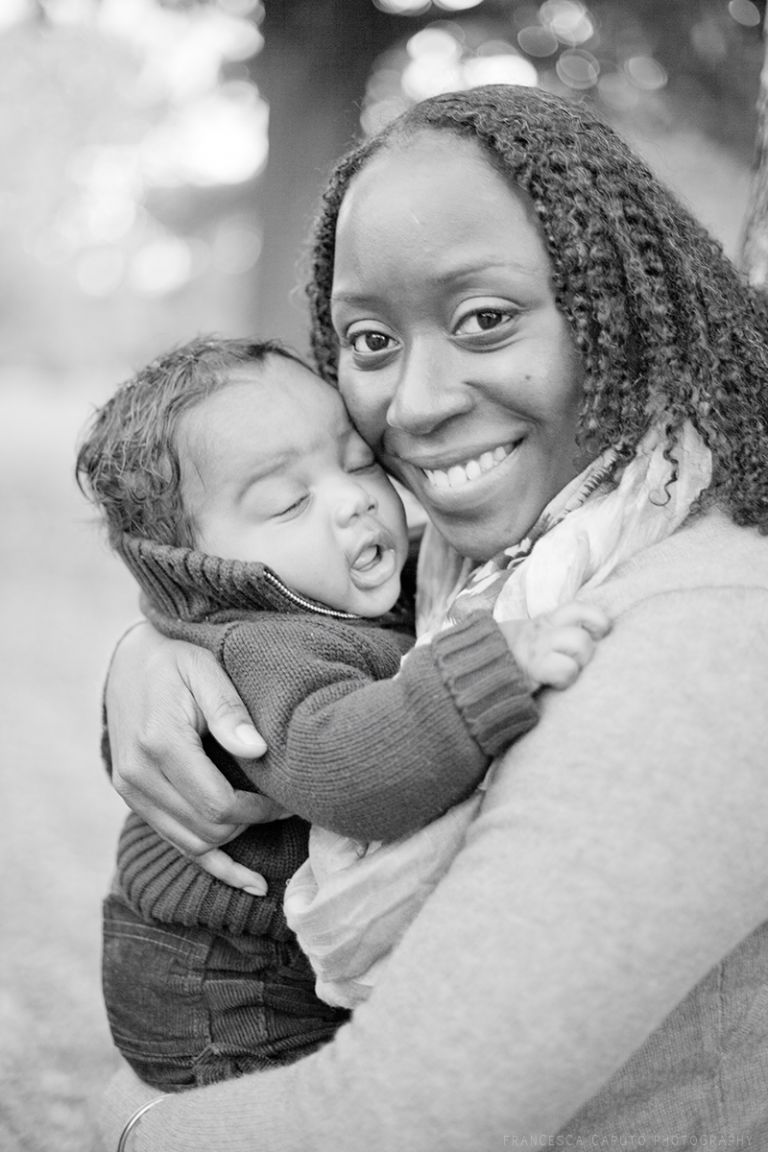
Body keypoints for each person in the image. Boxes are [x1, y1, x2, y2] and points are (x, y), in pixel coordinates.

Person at [97, 84, 768, 1151]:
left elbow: (407, 1118)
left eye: (485, 319)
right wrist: (161, 645)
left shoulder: (705, 628)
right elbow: (264, 608)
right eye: (369, 339)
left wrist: (130, 1138)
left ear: (619, 305)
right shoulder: (479, 557)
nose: (411, 404)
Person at [77, 334, 604, 1089]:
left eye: (356, 461)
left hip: (270, 961)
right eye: (290, 501)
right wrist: (494, 666)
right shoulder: (265, 649)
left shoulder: (325, 585)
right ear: (207, 568)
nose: (355, 497)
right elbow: (345, 768)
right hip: (224, 989)